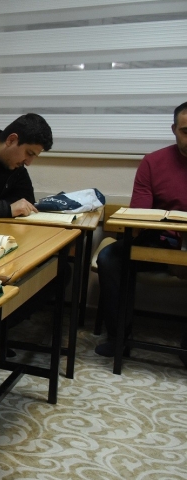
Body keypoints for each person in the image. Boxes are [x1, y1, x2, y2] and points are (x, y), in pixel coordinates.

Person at [95, 102, 187, 363]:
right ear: (174, 130)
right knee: (110, 258)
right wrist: (174, 257)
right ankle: (119, 338)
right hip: (161, 240)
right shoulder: (154, 162)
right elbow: (140, 214)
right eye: (186, 131)